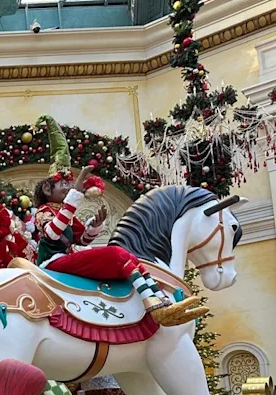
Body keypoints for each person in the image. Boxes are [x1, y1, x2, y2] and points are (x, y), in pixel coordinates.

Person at [31, 115, 206, 327]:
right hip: (51, 262)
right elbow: (51, 233)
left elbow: (82, 240)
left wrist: (95, 226)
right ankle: (153, 304)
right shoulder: (44, 211)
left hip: (65, 259)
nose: (69, 189)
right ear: (48, 190)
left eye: (70, 186)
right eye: (64, 186)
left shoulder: (64, 212)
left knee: (130, 257)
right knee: (116, 254)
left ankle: (162, 301)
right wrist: (75, 194)